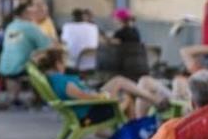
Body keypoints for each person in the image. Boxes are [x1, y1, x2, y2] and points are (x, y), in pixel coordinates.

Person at [35, 48, 166, 124]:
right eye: (63, 63)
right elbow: (83, 97)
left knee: (119, 82)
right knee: (125, 95)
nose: (64, 65)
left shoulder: (54, 79)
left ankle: (148, 109)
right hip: (91, 114)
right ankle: (153, 103)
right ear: (57, 64)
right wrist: (102, 96)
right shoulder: (63, 82)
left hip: (89, 108)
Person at [0, 0, 51, 109]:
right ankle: (40, 99)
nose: (34, 14)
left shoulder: (11, 25)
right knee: (44, 66)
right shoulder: (30, 27)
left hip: (4, 65)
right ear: (25, 14)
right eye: (32, 12)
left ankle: (13, 99)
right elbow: (46, 45)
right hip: (20, 66)